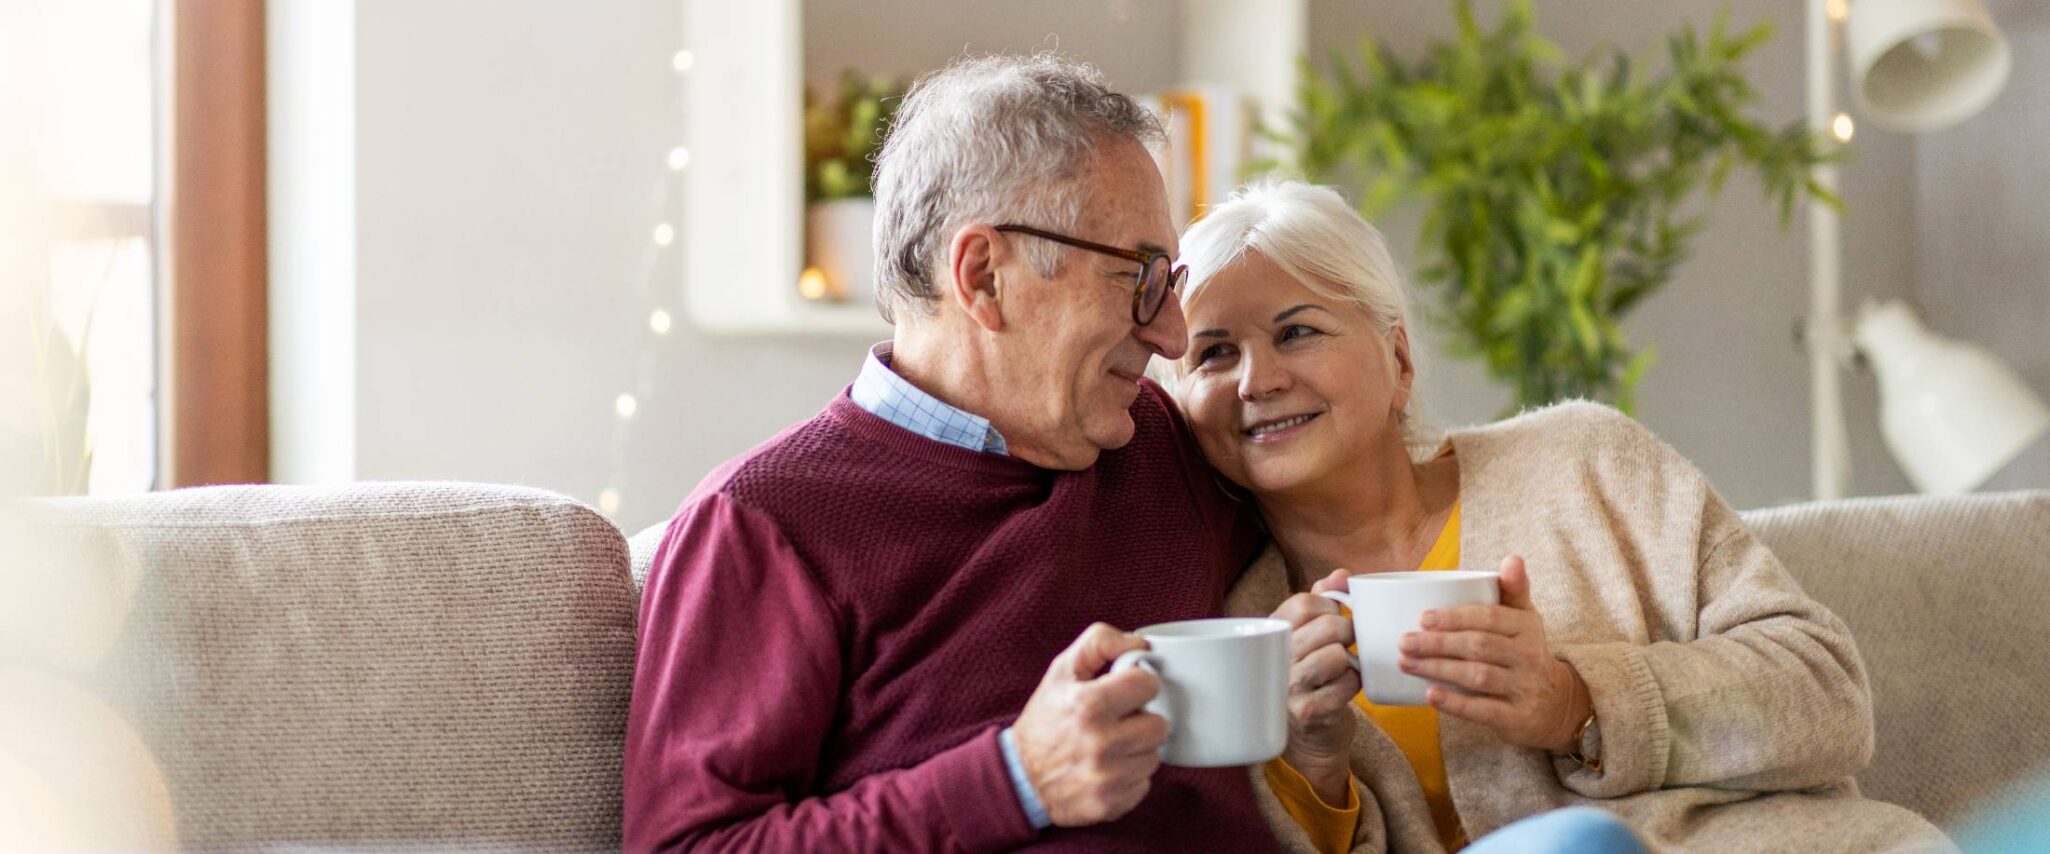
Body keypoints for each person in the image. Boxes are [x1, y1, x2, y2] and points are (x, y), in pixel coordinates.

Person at [1172, 178, 1956, 852]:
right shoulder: (1236, 628)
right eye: (1213, 353)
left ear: (1399, 360)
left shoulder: (1582, 461)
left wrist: (1578, 700)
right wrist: (1314, 762)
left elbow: (1827, 695)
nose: (1255, 380)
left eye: (1297, 331)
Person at [621, 53, 1275, 850]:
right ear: (984, 277)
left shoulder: (1165, 444)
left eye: (1168, 282)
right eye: (1139, 278)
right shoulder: (764, 523)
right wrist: (1015, 780)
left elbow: (1362, 500)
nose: (1172, 333)